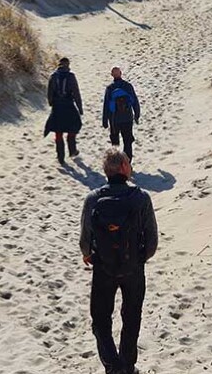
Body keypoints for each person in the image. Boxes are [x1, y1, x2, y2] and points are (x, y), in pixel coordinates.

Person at [80, 149, 158, 374]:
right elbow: (152, 239)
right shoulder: (141, 198)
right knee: (131, 315)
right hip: (133, 267)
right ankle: (128, 365)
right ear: (124, 168)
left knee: (101, 319)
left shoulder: (93, 198)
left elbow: (85, 238)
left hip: (103, 267)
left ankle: (112, 366)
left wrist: (89, 255)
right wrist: (141, 258)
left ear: (106, 171)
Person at [44, 58, 83, 164]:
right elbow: (76, 93)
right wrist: (80, 108)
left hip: (57, 106)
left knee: (58, 131)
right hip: (69, 105)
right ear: (67, 65)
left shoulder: (53, 76)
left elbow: (50, 92)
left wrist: (52, 103)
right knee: (73, 128)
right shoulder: (71, 76)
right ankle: (72, 150)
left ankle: (60, 157)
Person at [102, 67, 140, 162]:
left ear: (112, 75)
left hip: (114, 120)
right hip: (127, 118)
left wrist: (105, 120)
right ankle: (127, 163)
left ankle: (116, 164)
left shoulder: (110, 88)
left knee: (115, 143)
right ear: (121, 73)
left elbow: (106, 105)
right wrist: (137, 114)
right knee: (127, 142)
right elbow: (135, 101)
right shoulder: (128, 86)